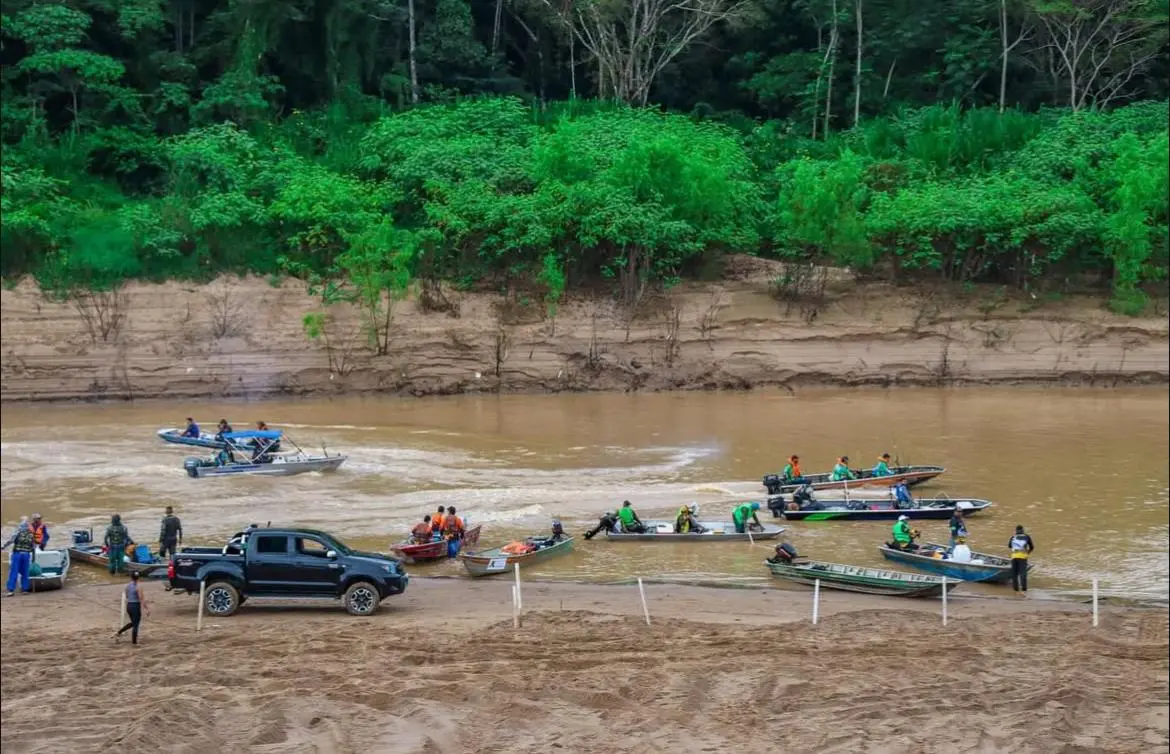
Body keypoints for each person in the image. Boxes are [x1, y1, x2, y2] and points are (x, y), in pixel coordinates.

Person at [115, 572, 149, 645]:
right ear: (139, 577)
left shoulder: (127, 585)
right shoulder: (139, 586)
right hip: (135, 606)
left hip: (129, 605)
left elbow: (127, 595)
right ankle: (134, 643)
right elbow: (141, 598)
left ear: (131, 577)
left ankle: (119, 633)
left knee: (133, 623)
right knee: (136, 625)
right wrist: (146, 609)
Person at [3, 518, 35, 596]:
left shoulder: (18, 532)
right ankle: (25, 589)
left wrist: (3, 546)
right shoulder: (31, 535)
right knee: (25, 572)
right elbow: (33, 547)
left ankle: (11, 590)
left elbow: (11, 541)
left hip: (17, 554)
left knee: (14, 571)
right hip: (26, 555)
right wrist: (33, 559)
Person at [1008, 525, 1035, 594]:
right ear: (1023, 530)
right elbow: (1032, 547)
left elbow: (1009, 546)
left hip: (1014, 557)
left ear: (1016, 531)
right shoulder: (1027, 536)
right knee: (1023, 573)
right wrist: (1028, 553)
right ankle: (1023, 590)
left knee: (1014, 574)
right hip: (1023, 557)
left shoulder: (1013, 537)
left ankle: (1016, 590)